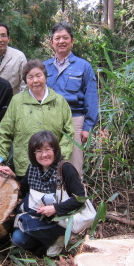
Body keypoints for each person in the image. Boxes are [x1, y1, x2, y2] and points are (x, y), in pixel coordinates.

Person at [0, 130, 86, 256]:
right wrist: (13, 177)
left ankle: (60, 239)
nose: (44, 155)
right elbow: (24, 190)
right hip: (38, 217)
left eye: (48, 149)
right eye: (39, 151)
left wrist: (55, 208)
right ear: (33, 153)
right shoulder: (33, 167)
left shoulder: (65, 168)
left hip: (59, 220)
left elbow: (80, 198)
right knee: (18, 238)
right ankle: (45, 247)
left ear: (55, 150)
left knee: (32, 229)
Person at [0, 59, 75, 189]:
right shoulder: (17, 101)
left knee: (51, 204)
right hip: (24, 165)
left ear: (45, 77)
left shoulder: (59, 101)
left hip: (52, 165)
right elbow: (5, 131)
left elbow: (69, 132)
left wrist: (59, 157)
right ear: (26, 81)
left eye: (39, 76)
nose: (35, 81)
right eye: (30, 77)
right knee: (25, 202)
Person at [44, 22, 99, 179]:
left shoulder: (83, 66)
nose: (61, 41)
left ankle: (75, 200)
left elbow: (91, 97)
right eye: (57, 38)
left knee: (74, 165)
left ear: (72, 41)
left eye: (65, 38)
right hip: (49, 120)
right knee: (49, 162)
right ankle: (52, 201)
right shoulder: (44, 67)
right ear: (52, 42)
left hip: (75, 120)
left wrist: (87, 127)